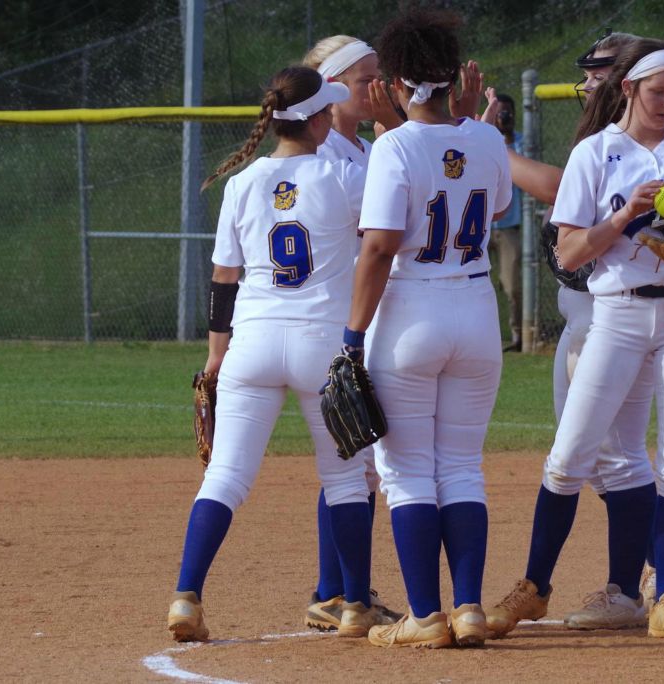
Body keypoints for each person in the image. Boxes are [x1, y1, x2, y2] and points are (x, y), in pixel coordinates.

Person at [487, 38, 664, 641]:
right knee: (569, 457)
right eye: (658, 92)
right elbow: (571, 250)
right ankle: (533, 588)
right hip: (616, 316)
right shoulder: (594, 154)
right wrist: (626, 217)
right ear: (628, 89)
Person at [166, 66, 392, 642]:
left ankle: (187, 597)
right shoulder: (344, 176)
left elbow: (224, 278)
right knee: (346, 479)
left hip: (252, 341)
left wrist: (215, 357)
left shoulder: (241, 183)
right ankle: (354, 606)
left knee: (226, 476)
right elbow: (387, 235)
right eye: (327, 111)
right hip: (321, 344)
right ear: (317, 121)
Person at [340, 8, 512, 649]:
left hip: (411, 311)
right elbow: (496, 206)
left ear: (395, 82)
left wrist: (352, 335)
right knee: (462, 467)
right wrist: (467, 124)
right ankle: (469, 610)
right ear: (453, 79)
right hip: (476, 309)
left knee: (407, 472)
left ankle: (425, 617)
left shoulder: (392, 146)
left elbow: (380, 247)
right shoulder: (487, 139)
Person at [298, 33, 403, 634]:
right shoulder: (326, 156)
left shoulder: (361, 147)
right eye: (365, 79)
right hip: (343, 319)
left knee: (358, 461)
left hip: (373, 317)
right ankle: (335, 591)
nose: (377, 87)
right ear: (333, 89)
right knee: (353, 459)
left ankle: (337, 589)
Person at [485, 92, 524, 352]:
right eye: (499, 112)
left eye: (508, 112)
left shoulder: (521, 142)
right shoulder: (482, 138)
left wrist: (507, 140)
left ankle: (519, 336)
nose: (504, 116)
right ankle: (484, 337)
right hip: (482, 226)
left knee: (512, 286)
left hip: (509, 225)